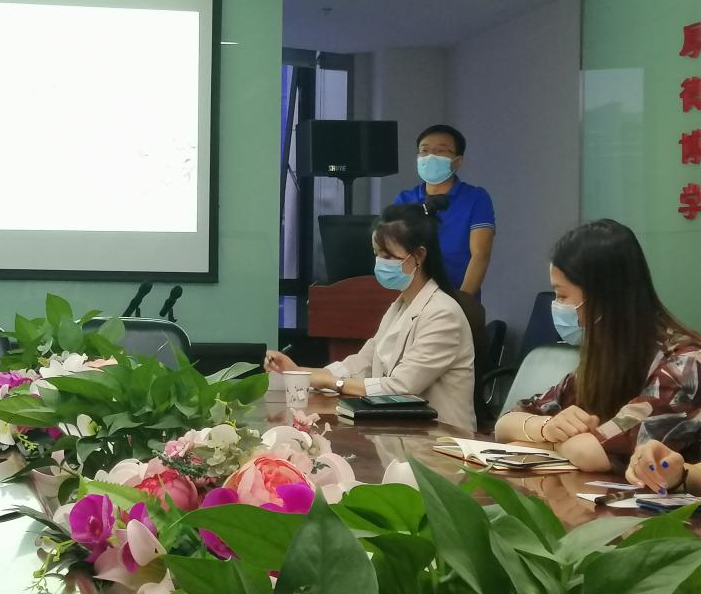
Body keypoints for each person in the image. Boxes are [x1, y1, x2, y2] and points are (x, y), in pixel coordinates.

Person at [495, 219, 701, 471]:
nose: (557, 306)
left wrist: (544, 440)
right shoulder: (606, 356)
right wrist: (546, 427)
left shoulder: (684, 364)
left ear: (604, 297)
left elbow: (592, 452)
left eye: (562, 295)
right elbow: (505, 424)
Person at [265, 197, 476, 430]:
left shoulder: (443, 314)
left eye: (388, 256)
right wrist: (298, 372)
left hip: (444, 439)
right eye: (377, 254)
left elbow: (400, 388)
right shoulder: (400, 306)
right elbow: (361, 363)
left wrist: (333, 382)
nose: (380, 263)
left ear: (419, 256)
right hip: (403, 430)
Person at [394, 125, 494, 296]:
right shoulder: (404, 199)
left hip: (458, 296)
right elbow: (394, 254)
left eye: (441, 151)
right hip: (412, 297)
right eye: (424, 151)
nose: (431, 156)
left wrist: (462, 302)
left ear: (458, 161)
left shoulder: (475, 198)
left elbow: (480, 254)